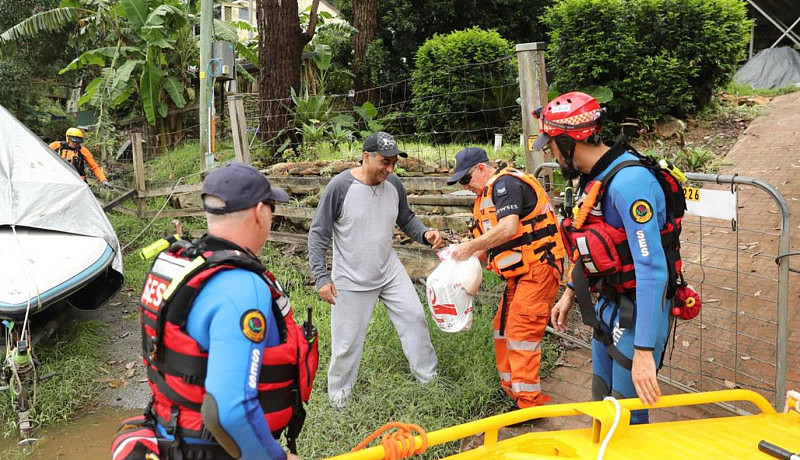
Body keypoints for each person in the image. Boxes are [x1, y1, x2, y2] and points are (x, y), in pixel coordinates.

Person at [124, 163, 312, 460]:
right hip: (213, 449)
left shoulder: (181, 263)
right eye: (272, 208)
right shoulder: (242, 287)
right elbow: (230, 409)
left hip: (170, 433)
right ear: (259, 212)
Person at [542, 92, 677, 424]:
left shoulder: (629, 183)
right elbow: (590, 243)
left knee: (625, 415)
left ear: (567, 140)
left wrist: (644, 350)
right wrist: (570, 294)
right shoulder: (594, 178)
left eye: (551, 145)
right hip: (609, 305)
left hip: (639, 309)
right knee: (603, 404)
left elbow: (652, 270)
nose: (550, 153)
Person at [308, 131, 442, 408]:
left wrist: (425, 234)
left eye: (394, 162)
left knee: (415, 319)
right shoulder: (340, 187)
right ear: (366, 156)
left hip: (389, 271)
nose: (390, 169)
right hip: (351, 278)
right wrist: (321, 277)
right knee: (346, 345)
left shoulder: (393, 183)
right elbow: (319, 233)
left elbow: (406, 218)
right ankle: (339, 401)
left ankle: (430, 381)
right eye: (385, 162)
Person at [448, 147, 566, 411]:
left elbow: (509, 228)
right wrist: (452, 263)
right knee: (501, 329)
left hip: (539, 268)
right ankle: (512, 391)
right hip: (519, 275)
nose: (466, 186)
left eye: (466, 179)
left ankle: (528, 406)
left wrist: (469, 247)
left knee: (520, 333)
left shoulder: (506, 184)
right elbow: (484, 249)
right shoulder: (485, 198)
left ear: (480, 168)